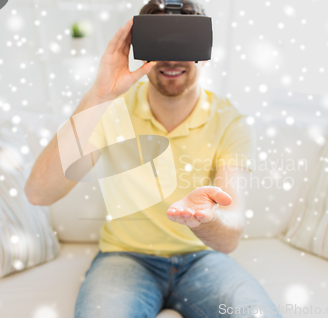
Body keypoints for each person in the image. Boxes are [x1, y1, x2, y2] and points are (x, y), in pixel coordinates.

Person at [25, 1, 282, 317]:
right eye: (160, 42)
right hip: (126, 257)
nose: (172, 57)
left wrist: (206, 219)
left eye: (183, 42)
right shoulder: (110, 109)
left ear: (204, 49)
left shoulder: (231, 121)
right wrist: (99, 94)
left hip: (202, 258)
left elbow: (230, 237)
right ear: (140, 48)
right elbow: (39, 193)